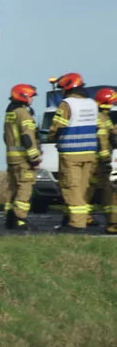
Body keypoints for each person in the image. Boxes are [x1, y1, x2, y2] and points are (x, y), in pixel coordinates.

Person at [47, 72, 104, 232]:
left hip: (71, 153)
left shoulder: (67, 104)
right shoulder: (92, 104)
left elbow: (57, 126)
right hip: (90, 153)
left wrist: (52, 138)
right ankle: (76, 218)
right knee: (82, 188)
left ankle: (77, 223)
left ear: (68, 88)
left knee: (70, 187)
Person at [1, 84, 42, 232]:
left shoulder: (10, 113)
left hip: (11, 159)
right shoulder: (23, 114)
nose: (32, 99)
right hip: (23, 159)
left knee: (12, 189)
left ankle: (9, 219)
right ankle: (20, 219)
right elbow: (27, 137)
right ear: (24, 96)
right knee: (24, 188)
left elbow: (6, 137)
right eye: (30, 96)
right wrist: (35, 158)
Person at [87, 87, 116, 234]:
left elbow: (112, 137)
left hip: (96, 161)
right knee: (107, 191)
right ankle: (112, 222)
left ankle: (85, 216)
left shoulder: (104, 117)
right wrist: (105, 158)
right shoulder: (100, 118)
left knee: (91, 189)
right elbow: (102, 139)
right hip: (99, 162)